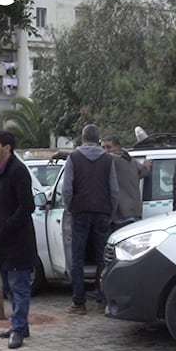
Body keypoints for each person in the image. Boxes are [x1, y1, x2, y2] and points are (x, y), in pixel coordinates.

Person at [0, 131, 36, 349]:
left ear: (7, 147)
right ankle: (19, 325)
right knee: (9, 288)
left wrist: (9, 225)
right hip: (1, 241)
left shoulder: (18, 171)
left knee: (19, 287)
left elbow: (27, 206)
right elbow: (1, 204)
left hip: (17, 240)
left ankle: (18, 330)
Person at [59, 123, 118, 314]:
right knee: (103, 257)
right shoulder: (108, 160)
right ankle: (102, 299)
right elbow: (114, 190)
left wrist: (70, 207)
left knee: (77, 257)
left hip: (80, 211)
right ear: (98, 139)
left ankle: (79, 302)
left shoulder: (73, 158)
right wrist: (111, 211)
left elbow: (66, 188)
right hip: (102, 212)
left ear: (83, 138)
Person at [101, 133, 148, 228]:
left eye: (109, 147)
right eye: (103, 147)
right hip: (134, 212)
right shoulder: (130, 160)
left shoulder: (112, 159)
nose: (105, 151)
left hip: (121, 215)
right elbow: (142, 172)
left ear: (117, 147)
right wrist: (146, 167)